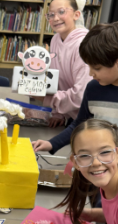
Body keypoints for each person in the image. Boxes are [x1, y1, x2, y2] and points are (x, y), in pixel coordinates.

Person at [33, 23, 118, 157]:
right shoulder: (93, 88)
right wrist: (52, 143)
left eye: (97, 68)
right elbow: (80, 124)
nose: (91, 74)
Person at [47, 0, 91, 126]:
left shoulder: (84, 44)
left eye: (61, 12)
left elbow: (80, 95)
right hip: (69, 113)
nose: (55, 18)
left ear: (76, 15)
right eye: (50, 14)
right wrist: (58, 113)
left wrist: (47, 99)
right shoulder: (55, 39)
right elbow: (56, 79)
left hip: (88, 119)